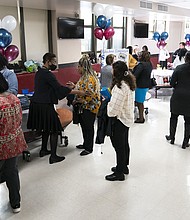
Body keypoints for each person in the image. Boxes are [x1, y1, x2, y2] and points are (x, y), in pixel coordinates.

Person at [27, 52, 75, 164]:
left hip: (36, 104)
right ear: (48, 61)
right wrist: (70, 88)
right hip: (44, 104)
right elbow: (58, 89)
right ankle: (53, 156)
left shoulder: (39, 72)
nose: (55, 64)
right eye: (54, 62)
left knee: (45, 127)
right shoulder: (48, 74)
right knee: (54, 129)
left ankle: (43, 149)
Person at [0, 73, 27, 213]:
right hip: (14, 142)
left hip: (1, 145)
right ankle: (16, 203)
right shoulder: (14, 99)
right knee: (12, 173)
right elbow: (19, 120)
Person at [105, 61, 136, 181]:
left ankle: (119, 173)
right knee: (124, 144)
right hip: (127, 118)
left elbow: (113, 111)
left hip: (120, 120)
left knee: (118, 146)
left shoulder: (119, 88)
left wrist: (107, 105)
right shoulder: (128, 83)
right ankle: (124, 167)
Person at [74, 54, 101, 156]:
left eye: (79, 66)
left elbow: (89, 94)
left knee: (88, 127)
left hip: (90, 107)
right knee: (84, 126)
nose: (78, 68)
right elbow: (82, 89)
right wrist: (74, 87)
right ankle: (85, 144)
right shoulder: (84, 77)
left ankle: (89, 148)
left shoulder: (89, 78)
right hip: (84, 106)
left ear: (83, 67)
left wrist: (79, 100)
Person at [165, 51, 190, 149]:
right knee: (188, 121)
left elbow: (171, 83)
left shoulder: (179, 68)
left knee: (173, 117)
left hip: (178, 96)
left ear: (186, 58)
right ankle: (185, 142)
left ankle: (172, 138)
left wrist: (177, 86)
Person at [133, 51, 153, 123]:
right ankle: (141, 117)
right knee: (140, 101)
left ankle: (141, 118)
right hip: (146, 85)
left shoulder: (141, 65)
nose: (138, 56)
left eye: (139, 55)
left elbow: (135, 75)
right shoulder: (149, 64)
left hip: (140, 86)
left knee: (139, 102)